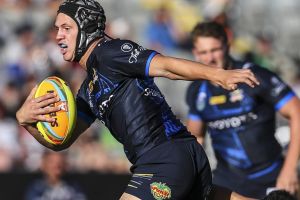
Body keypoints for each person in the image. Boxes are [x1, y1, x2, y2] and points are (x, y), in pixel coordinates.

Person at [16, 0, 259, 199]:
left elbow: (166, 66)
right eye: (57, 29)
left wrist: (218, 74)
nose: (58, 36)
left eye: (66, 28)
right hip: (182, 158)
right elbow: (61, 141)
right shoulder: (88, 90)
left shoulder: (109, 53)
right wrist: (26, 122)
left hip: (164, 160)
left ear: (86, 28)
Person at [186, 21, 300, 199]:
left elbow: (296, 113)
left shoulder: (255, 75)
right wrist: (194, 178)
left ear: (227, 46)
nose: (210, 58)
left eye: (215, 50)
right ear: (195, 53)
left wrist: (290, 169)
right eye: (203, 52)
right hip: (228, 184)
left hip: (271, 177)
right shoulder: (196, 90)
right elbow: (196, 138)